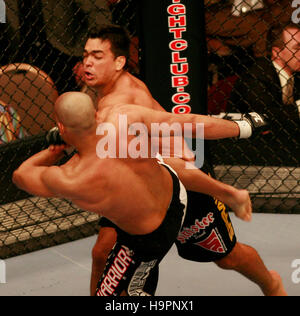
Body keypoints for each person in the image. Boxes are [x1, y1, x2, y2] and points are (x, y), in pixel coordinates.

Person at [81, 25, 286, 296]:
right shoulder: (98, 90)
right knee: (103, 251)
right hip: (140, 190)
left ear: (119, 62)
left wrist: (240, 131)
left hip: (182, 185)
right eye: (85, 55)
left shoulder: (126, 100)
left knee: (227, 257)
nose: (87, 62)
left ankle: (271, 285)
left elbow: (179, 147)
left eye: (97, 56)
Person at [13, 91, 255, 296]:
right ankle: (228, 193)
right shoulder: (122, 116)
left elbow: (21, 175)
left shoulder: (72, 178)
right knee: (163, 161)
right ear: (96, 115)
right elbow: (189, 122)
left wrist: (54, 151)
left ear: (62, 126)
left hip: (150, 238)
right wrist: (242, 127)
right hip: (176, 192)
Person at [230, 22, 300, 164]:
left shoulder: (297, 76)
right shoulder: (255, 76)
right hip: (249, 152)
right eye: (297, 48)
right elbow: (266, 116)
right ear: (277, 52)